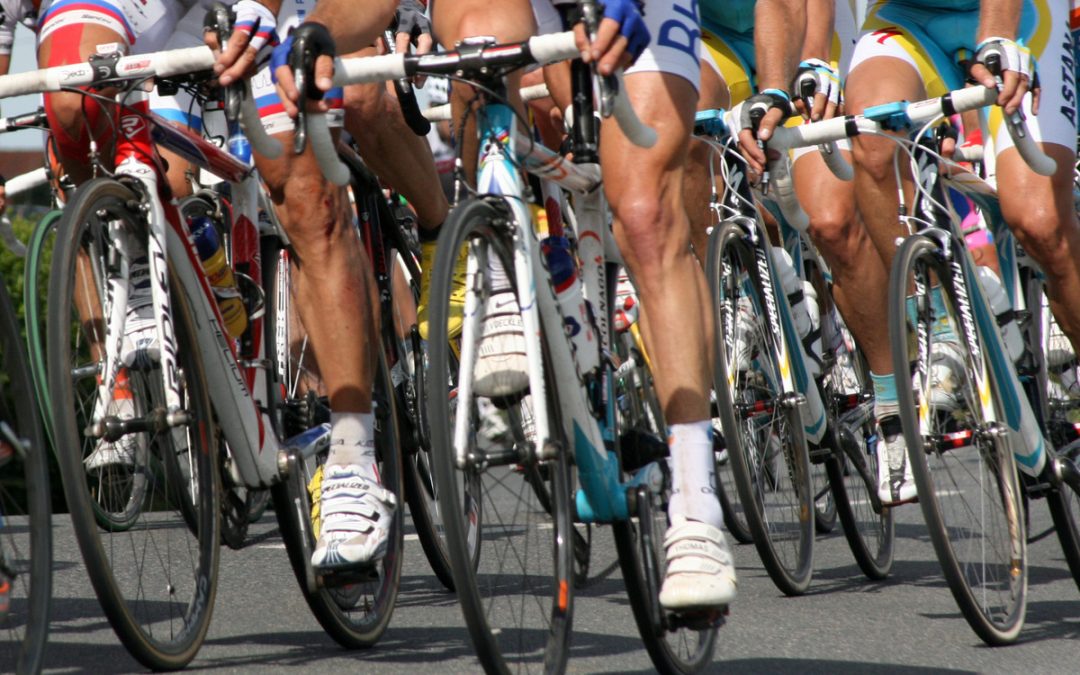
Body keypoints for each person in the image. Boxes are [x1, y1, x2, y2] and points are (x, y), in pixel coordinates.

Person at [839, 0, 1078, 496]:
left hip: (1019, 13)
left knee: (1039, 224)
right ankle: (938, 324)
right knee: (872, 141)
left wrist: (996, 37)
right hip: (906, 18)